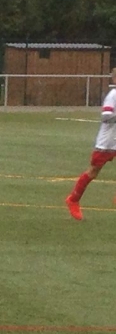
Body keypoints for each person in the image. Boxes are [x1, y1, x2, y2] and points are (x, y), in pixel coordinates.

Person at [66, 68, 116, 221]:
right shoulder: (113, 95)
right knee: (93, 171)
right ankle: (73, 200)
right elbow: (106, 116)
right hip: (107, 141)